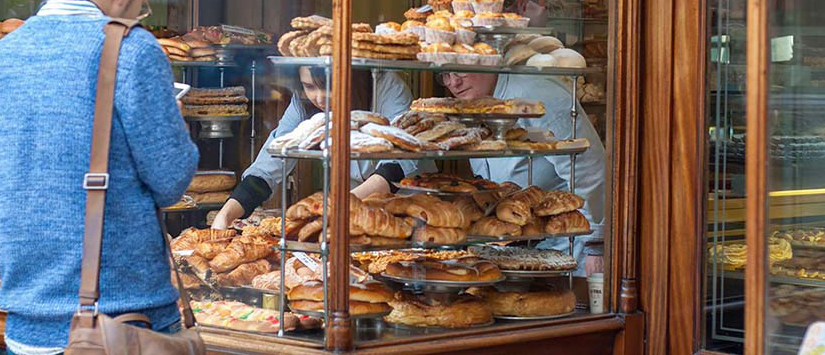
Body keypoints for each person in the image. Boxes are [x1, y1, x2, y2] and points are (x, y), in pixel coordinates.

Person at [0, 0, 198, 355]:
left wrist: (35, 280)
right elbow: (172, 180)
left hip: (25, 328)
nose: (140, 13)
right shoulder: (132, 49)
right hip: (123, 325)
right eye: (144, 0)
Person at [212, 67, 422, 229]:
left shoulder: (385, 86)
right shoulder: (302, 102)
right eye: (310, 86)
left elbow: (396, 165)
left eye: (327, 85)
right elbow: (272, 161)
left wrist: (333, 208)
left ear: (349, 75)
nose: (319, 97)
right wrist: (226, 214)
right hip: (347, 213)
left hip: (409, 208)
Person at [438, 71, 605, 273]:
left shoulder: (536, 94)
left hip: (566, 247)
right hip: (509, 249)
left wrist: (596, 246)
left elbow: (591, 171)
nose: (454, 82)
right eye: (445, 74)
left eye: (461, 70)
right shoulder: (471, 107)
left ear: (488, 58)